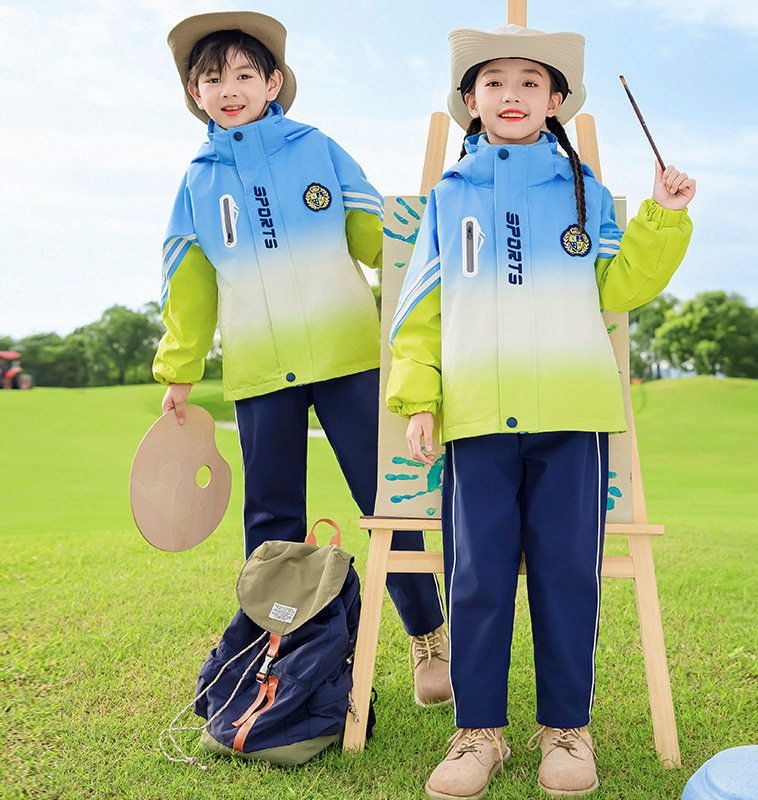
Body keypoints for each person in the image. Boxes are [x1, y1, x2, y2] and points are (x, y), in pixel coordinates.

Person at [387, 24, 695, 799]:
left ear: (556, 101)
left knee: (568, 576)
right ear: (470, 103)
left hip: (572, 414)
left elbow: (620, 287)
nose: (513, 95)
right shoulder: (448, 196)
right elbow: (418, 313)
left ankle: (567, 729)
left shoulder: (582, 190)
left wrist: (662, 215)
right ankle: (477, 733)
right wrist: (418, 399)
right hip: (477, 419)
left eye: (531, 83)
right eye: (495, 83)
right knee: (478, 578)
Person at [153, 11, 450, 706]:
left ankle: (427, 636)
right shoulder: (196, 183)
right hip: (259, 370)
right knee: (271, 518)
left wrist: (428, 244)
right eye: (212, 79)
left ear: (274, 82)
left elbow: (374, 232)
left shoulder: (317, 148)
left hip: (350, 354)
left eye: (244, 75)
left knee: (388, 501)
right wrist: (180, 370)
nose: (229, 89)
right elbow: (187, 287)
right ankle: (272, 655)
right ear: (195, 94)